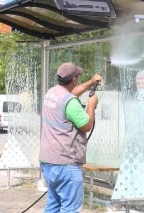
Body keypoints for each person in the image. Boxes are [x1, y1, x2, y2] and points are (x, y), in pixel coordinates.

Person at [39, 62, 101, 213]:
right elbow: (86, 125)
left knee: (53, 206)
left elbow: (71, 94)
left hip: (48, 161)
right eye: (78, 77)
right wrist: (91, 105)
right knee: (70, 209)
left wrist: (91, 82)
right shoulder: (71, 103)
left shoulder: (52, 93)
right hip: (65, 165)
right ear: (73, 80)